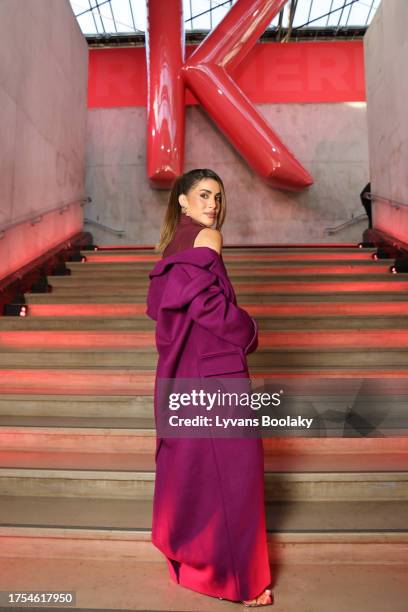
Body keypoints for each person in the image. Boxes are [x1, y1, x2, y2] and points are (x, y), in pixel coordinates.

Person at [146, 169, 273, 607]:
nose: (212, 204)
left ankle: (196, 561)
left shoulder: (171, 247)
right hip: (216, 377)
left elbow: (165, 311)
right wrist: (250, 330)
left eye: (217, 196)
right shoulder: (208, 238)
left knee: (197, 472)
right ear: (182, 201)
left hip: (183, 375)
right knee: (236, 477)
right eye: (203, 195)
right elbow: (210, 308)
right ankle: (240, 581)